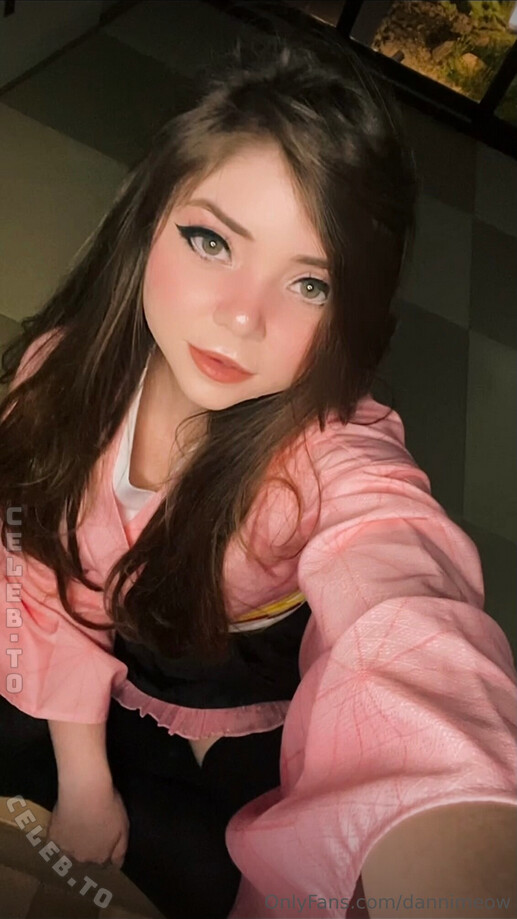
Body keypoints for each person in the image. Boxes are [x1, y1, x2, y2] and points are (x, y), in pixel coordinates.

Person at [1, 23, 516, 919]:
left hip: (232, 709)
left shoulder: (330, 459)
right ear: (147, 218)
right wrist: (84, 778)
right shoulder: (59, 373)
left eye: (310, 283)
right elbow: (35, 568)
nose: (242, 317)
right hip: (83, 671)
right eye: (211, 239)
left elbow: (404, 604)